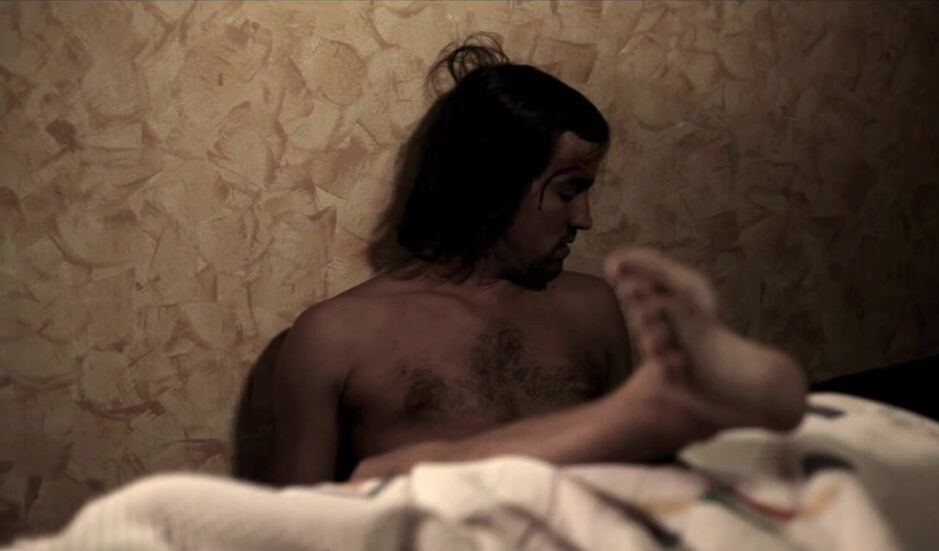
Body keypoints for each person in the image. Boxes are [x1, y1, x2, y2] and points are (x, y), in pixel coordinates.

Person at [268, 36, 807, 485]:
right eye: (569, 190)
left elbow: (640, 475)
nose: (585, 218)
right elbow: (295, 531)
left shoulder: (592, 308)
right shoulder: (335, 338)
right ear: (492, 186)